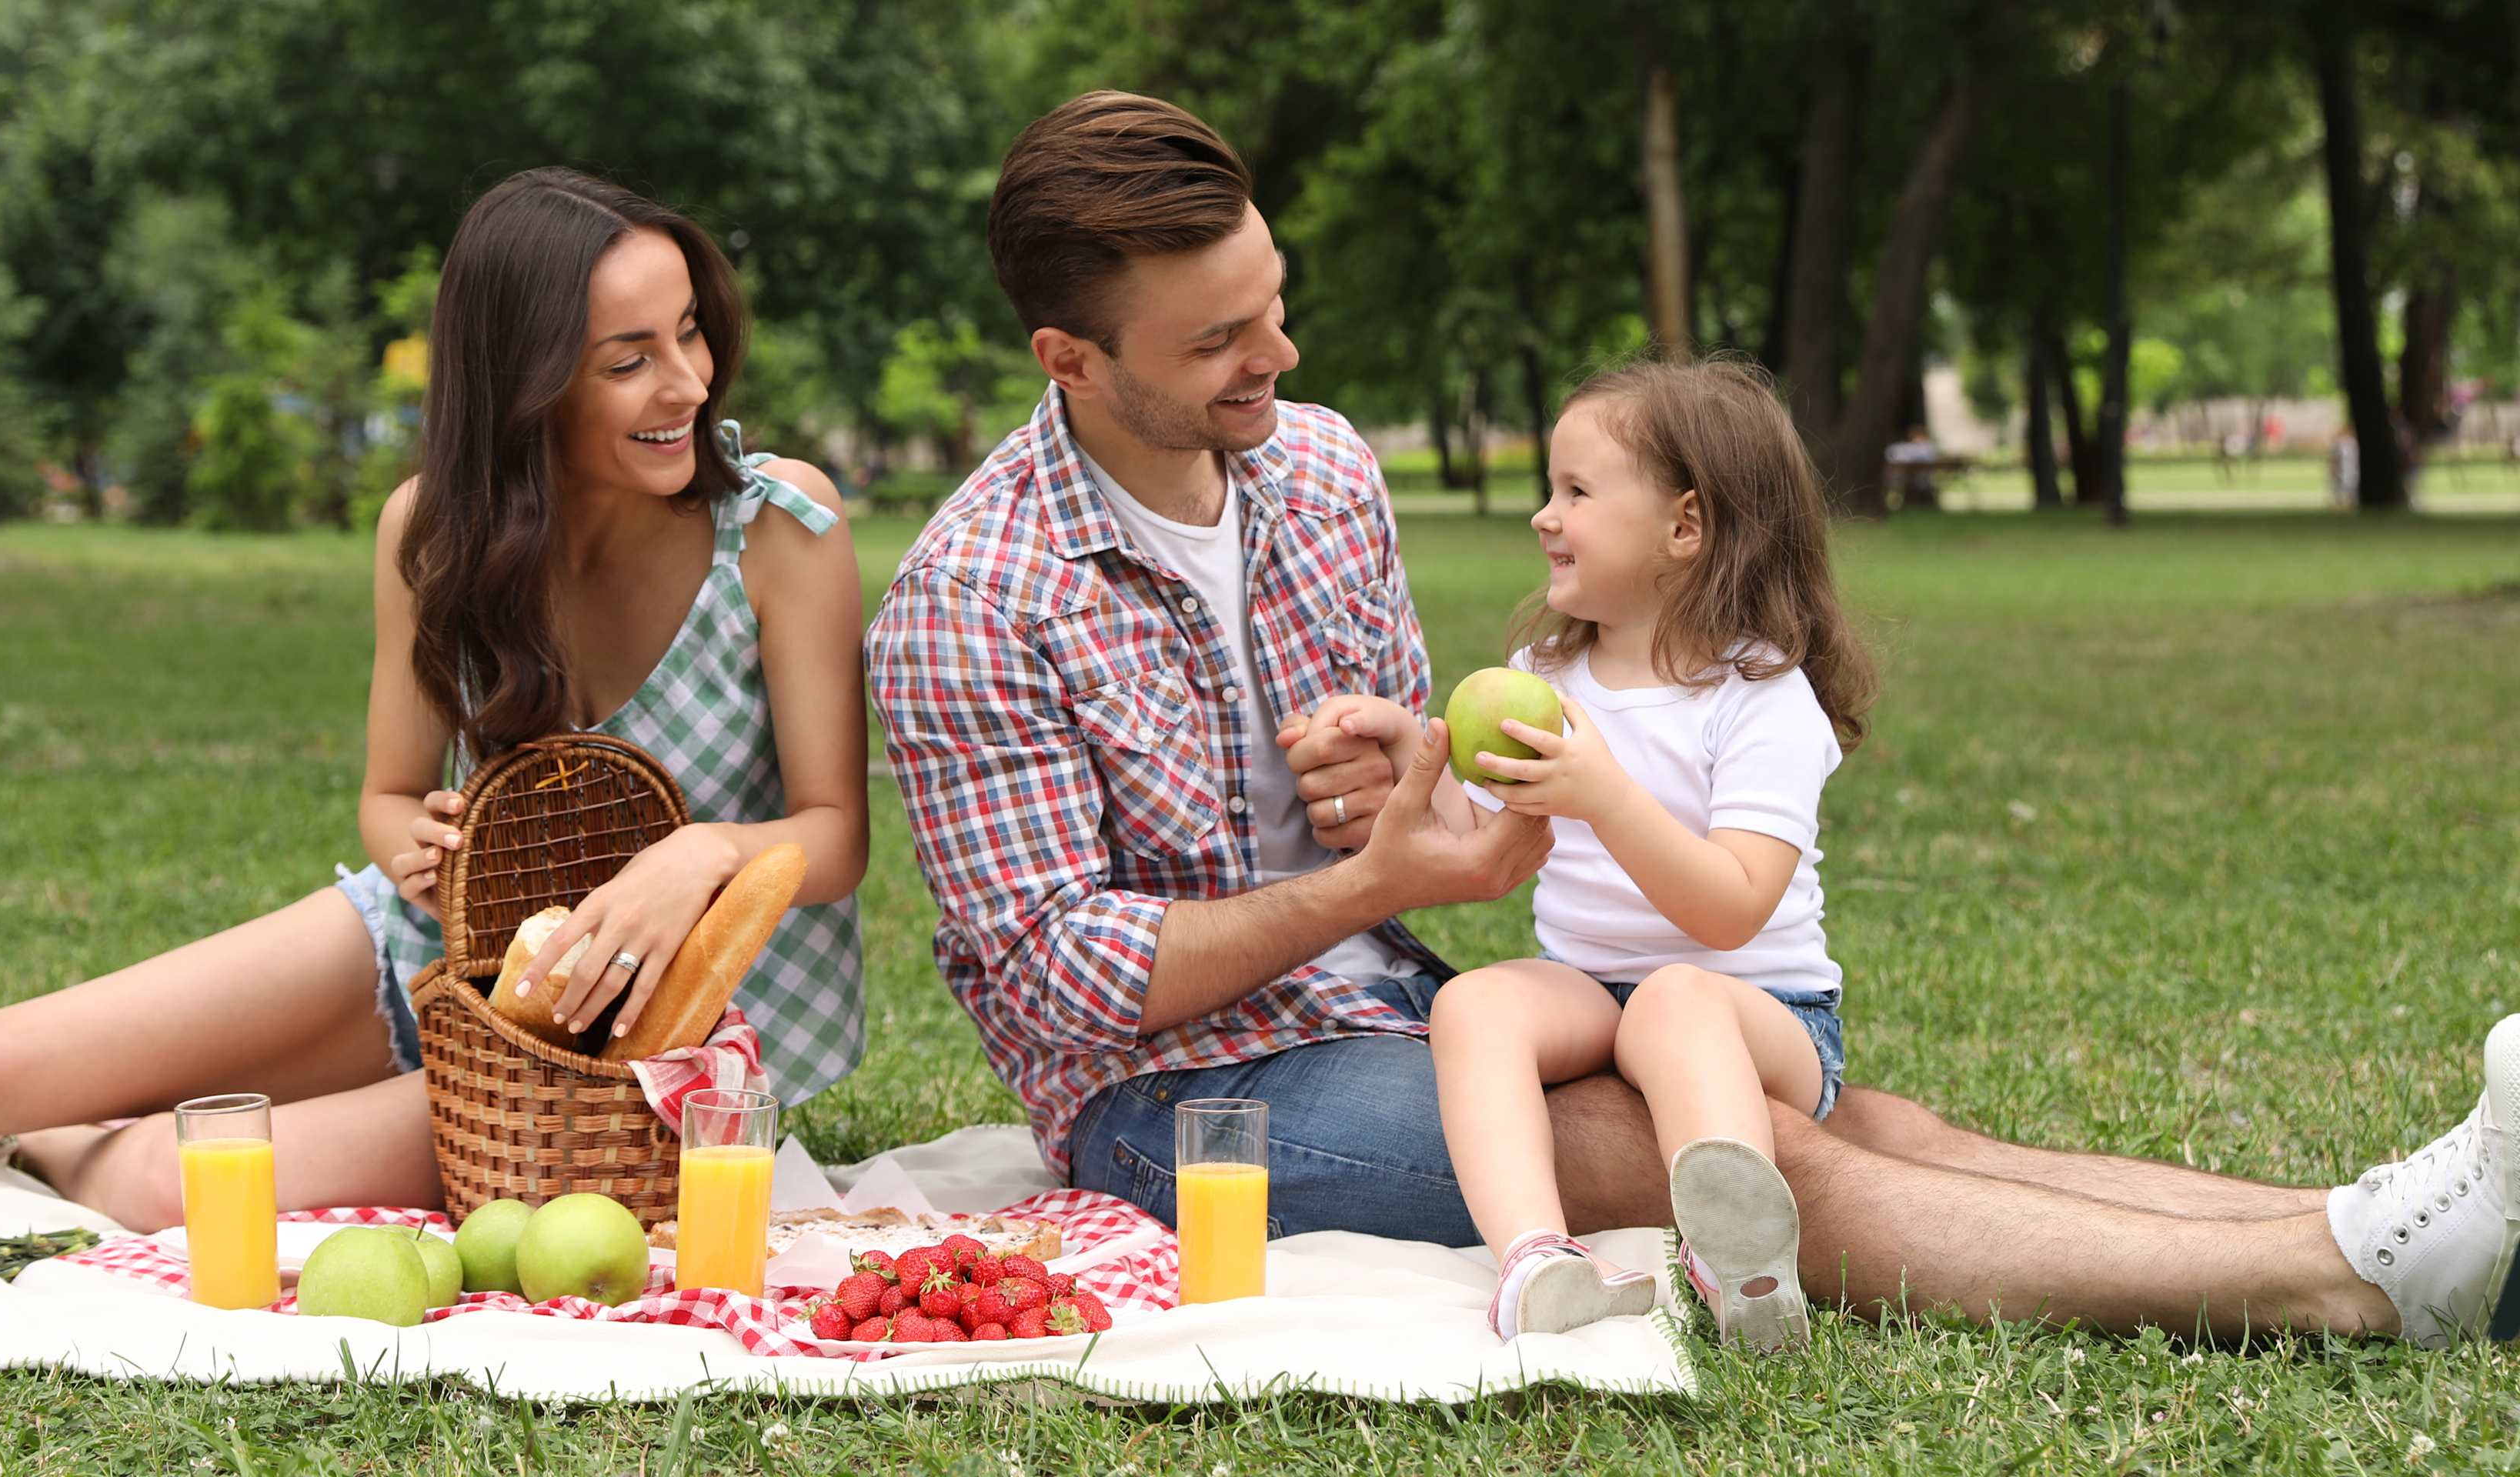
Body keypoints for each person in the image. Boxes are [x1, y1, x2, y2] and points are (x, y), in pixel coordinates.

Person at [866, 88, 2519, 1350]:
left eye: (1274, 302)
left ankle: (2393, 1224)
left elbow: (1400, 809)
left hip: (1396, 1004)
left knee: (1862, 1120)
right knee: (1723, 1158)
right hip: (1182, 1101)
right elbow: (1060, 977)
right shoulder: (966, 597)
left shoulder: (1319, 467)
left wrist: (1401, 785)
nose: (1278, 355)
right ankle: (2349, 1286)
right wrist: (1372, 886)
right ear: (1070, 359)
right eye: (1219, 341)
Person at [0, 168, 872, 1229]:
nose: (688, 384)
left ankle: (35, 1141)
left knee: (157, 1179)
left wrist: (701, 856)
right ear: (526, 378)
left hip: (644, 1054)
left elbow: (832, 838)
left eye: (691, 330)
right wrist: (404, 841)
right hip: (442, 952)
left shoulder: (779, 530)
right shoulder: (434, 527)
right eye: (628, 359)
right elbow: (382, 793)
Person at [1317, 358, 1872, 1350]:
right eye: (1549, 488)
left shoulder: (1760, 698)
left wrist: (1606, 796)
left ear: (1684, 527)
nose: (1543, 515)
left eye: (1575, 491)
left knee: (1676, 998)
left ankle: (1742, 1266)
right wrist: (1413, 747)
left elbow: (1733, 909)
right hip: (1595, 993)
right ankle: (1537, 1258)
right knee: (1473, 1001)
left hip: (1762, 1013)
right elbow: (1468, 816)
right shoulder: (1549, 675)